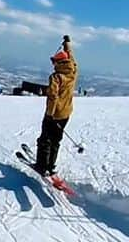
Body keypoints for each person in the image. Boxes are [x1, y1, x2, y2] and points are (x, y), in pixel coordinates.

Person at [34, 35, 77, 176]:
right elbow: (72, 58)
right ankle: (51, 165)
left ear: (59, 62)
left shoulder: (56, 77)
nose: (53, 64)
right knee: (56, 141)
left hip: (54, 114)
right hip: (66, 114)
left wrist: (50, 114)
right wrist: (67, 44)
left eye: (55, 62)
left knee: (45, 140)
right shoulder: (73, 72)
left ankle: (41, 166)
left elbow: (53, 97)